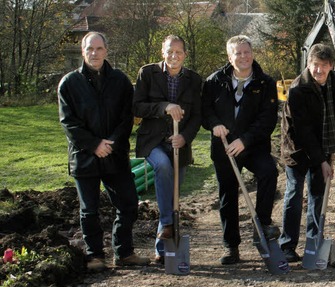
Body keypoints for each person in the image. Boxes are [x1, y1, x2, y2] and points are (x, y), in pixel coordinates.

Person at [57, 31, 150, 272]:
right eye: (90, 49)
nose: (94, 53)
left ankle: (124, 252)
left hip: (114, 154)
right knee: (89, 210)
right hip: (84, 156)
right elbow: (68, 122)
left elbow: (126, 118)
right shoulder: (69, 83)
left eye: (99, 49)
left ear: (106, 51)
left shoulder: (119, 80)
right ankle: (94, 256)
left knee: (129, 203)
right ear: (83, 51)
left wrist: (110, 143)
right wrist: (93, 144)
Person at [201, 35, 280, 265]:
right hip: (224, 148)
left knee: (269, 172)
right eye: (238, 53)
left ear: (252, 53)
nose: (243, 57)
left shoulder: (266, 83)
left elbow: (267, 120)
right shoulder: (214, 81)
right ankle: (231, 247)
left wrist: (245, 140)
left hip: (253, 146)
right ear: (229, 56)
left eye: (247, 52)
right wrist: (214, 124)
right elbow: (205, 111)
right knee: (228, 194)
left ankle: (262, 224)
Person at [132, 35, 202, 265]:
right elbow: (137, 106)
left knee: (173, 195)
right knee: (162, 167)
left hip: (178, 144)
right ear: (163, 52)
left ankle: (162, 250)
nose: (174, 56)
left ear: (185, 54)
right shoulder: (147, 73)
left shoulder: (194, 79)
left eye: (178, 52)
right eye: (170, 51)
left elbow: (196, 117)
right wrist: (164, 107)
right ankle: (168, 224)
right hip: (152, 141)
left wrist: (185, 137)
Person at [280, 43, 335, 262]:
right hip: (297, 148)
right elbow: (303, 131)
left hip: (324, 143)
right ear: (308, 64)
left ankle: (314, 241)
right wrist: (322, 161)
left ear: (331, 66)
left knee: (318, 195)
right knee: (294, 192)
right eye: (315, 65)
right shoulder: (298, 89)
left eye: (324, 65)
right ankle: (287, 245)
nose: (319, 70)